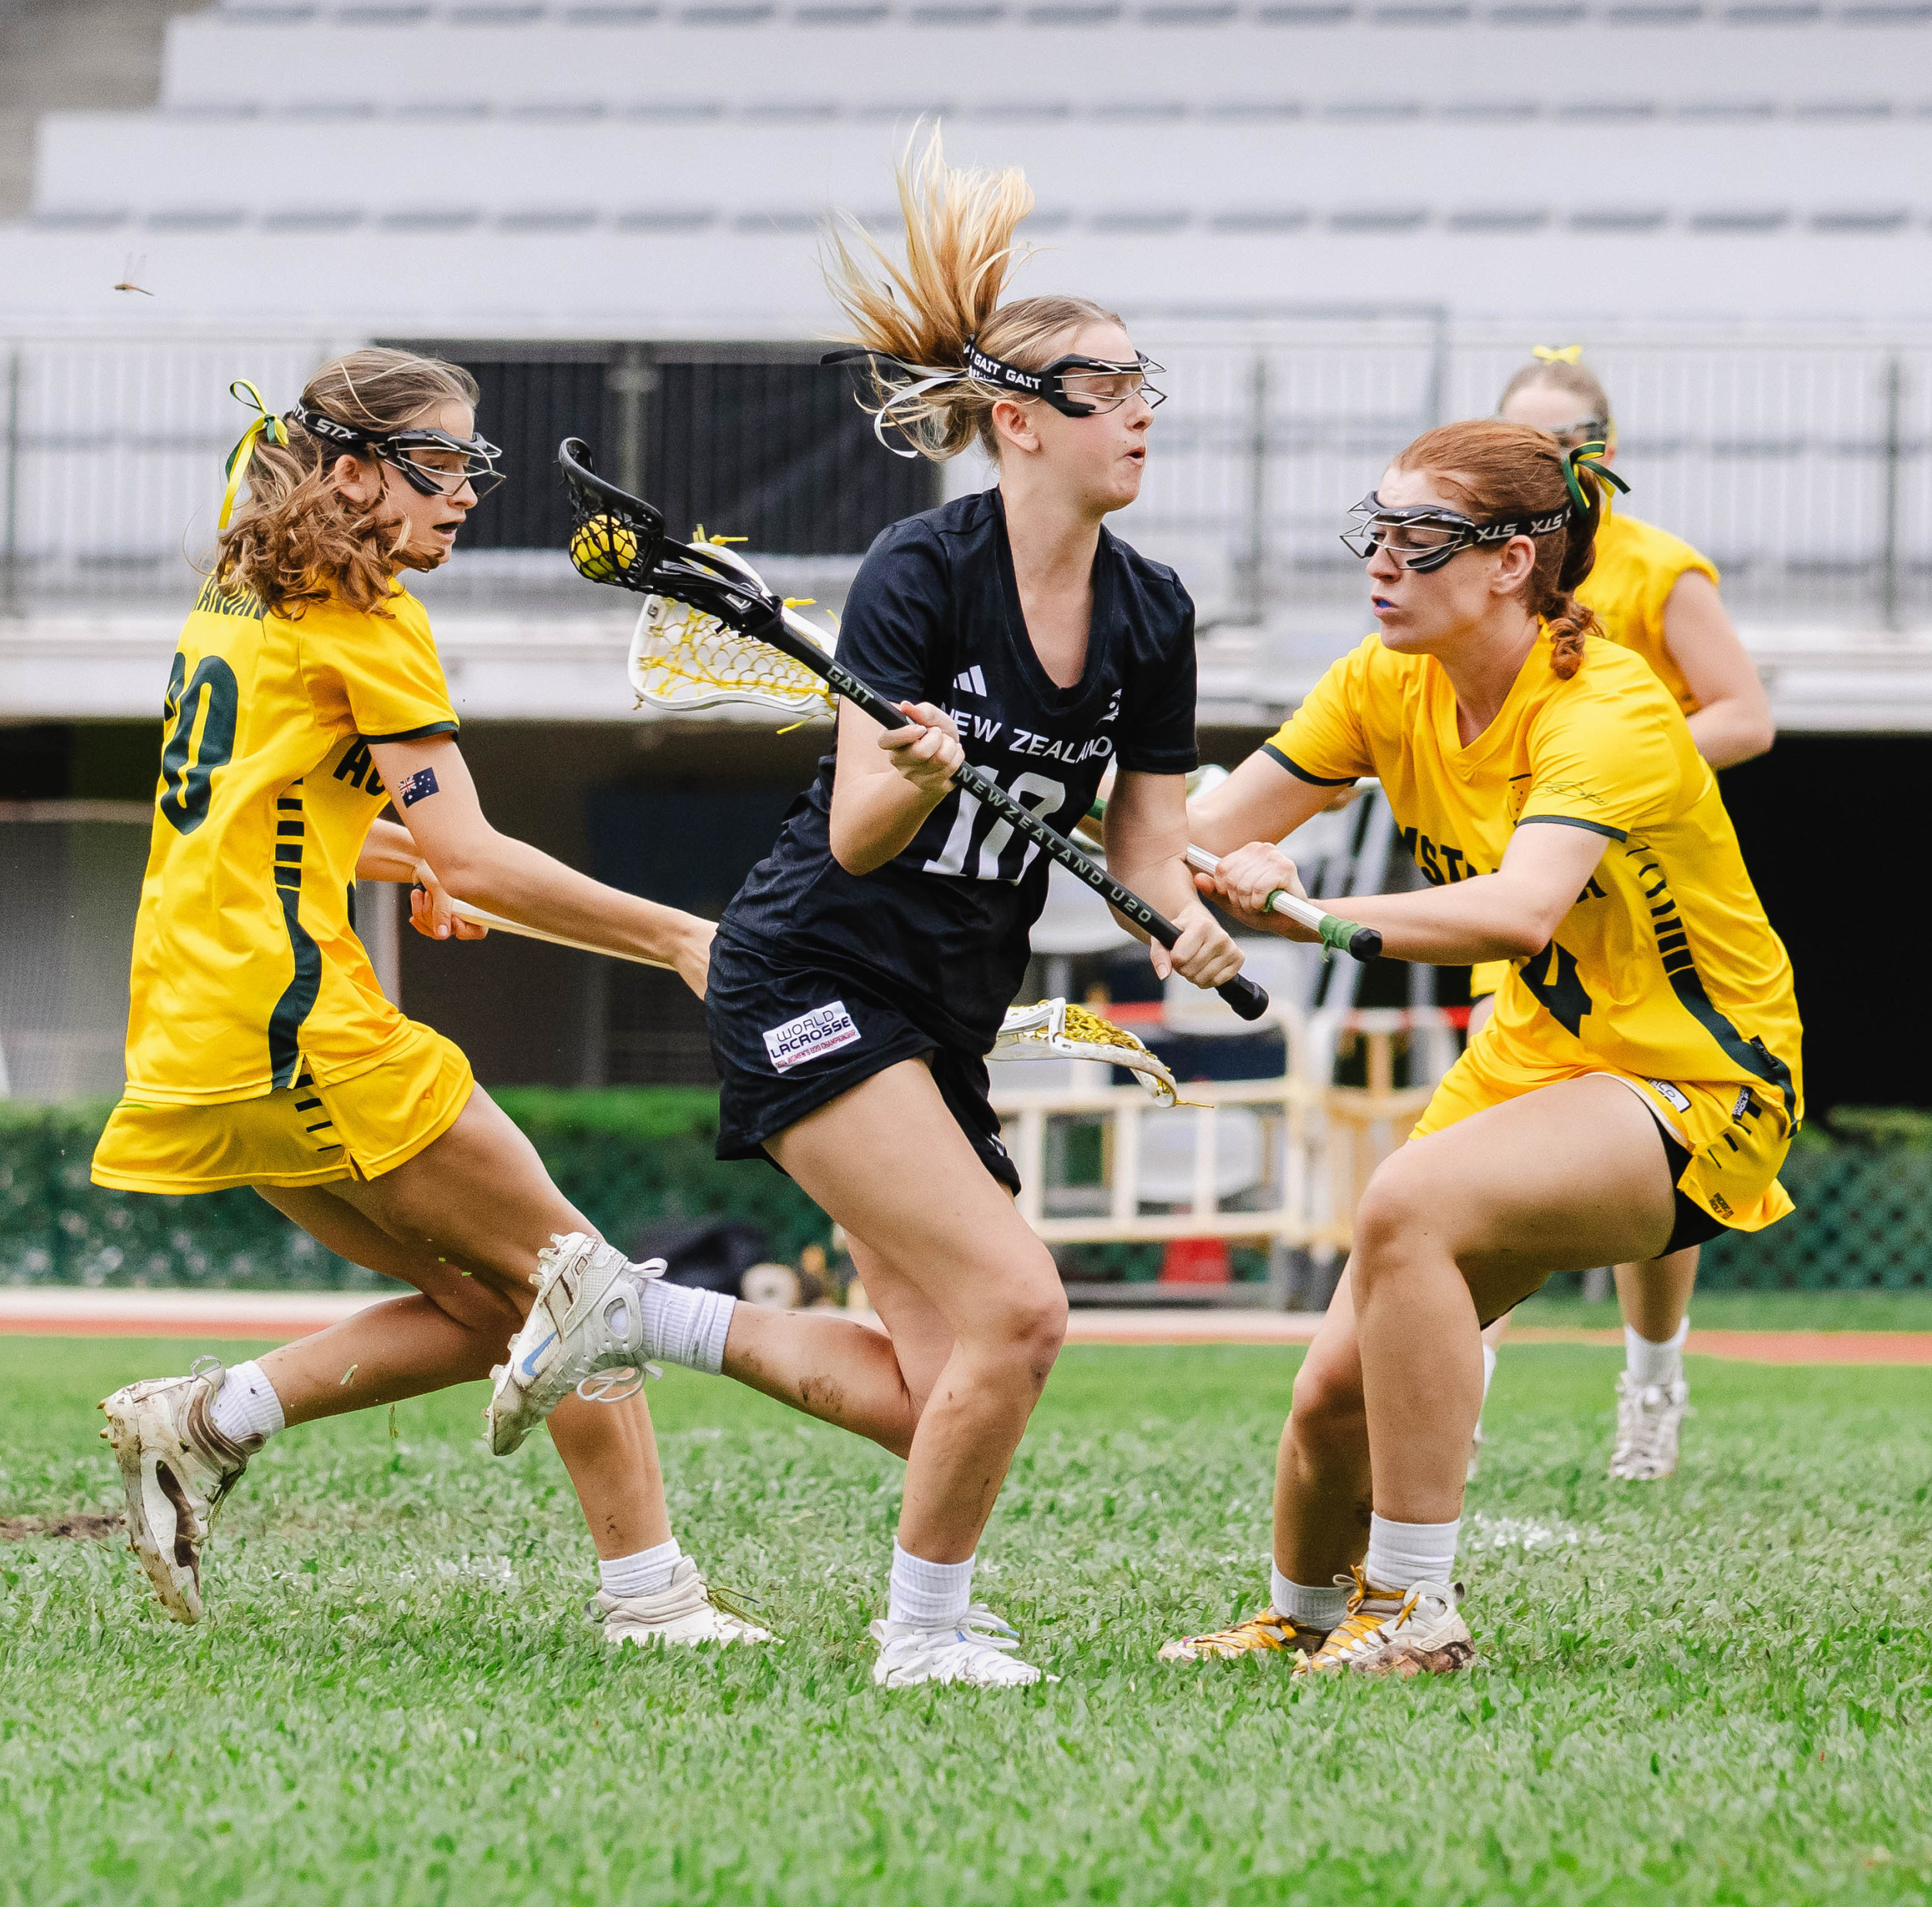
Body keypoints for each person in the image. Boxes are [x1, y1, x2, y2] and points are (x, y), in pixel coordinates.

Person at [483, 138, 1246, 1688]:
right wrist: (917, 766)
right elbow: (855, 826)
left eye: (1145, 381)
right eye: (1110, 386)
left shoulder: (1150, 611)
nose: (1144, 409)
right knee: (1020, 1317)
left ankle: (632, 1310)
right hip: (812, 970)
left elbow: (1150, 844)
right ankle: (923, 1633)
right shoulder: (921, 569)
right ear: (1018, 422)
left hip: (945, 1004)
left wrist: (1193, 921)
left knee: (940, 1383)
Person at [90, 348, 787, 1646]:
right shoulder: (374, 619)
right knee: (577, 1279)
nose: (467, 492)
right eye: (441, 465)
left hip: (198, 1023)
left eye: (476, 464)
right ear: (350, 473)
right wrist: (682, 939)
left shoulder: (246, 578)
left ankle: (210, 1419)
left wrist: (400, 850)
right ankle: (653, 1599)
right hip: (299, 1020)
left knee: (496, 1304)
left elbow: (278, 817)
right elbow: (475, 851)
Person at [1158, 420, 1803, 1675]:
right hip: (1534, 1057)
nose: (1380, 563)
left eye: (1418, 538)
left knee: (1408, 1199)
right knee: (1330, 1397)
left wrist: (1300, 910)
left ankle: (1414, 1612)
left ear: (1512, 562)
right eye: (1376, 530)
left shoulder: (1605, 703)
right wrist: (1064, 769)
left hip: (1701, 1079)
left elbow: (1516, 910)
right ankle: (1301, 1612)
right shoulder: (1378, 681)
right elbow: (1200, 829)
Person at [1475, 346, 1777, 1480]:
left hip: (1650, 914)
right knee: (1470, 1152)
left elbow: (1744, 717)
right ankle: (1453, 1400)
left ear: (1604, 454)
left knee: (1661, 1162)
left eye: (1560, 446)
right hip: (1528, 905)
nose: (1539, 464)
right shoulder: (1487, 574)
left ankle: (1653, 1382)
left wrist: (1598, 787)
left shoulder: (1655, 571)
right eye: (1519, 443)